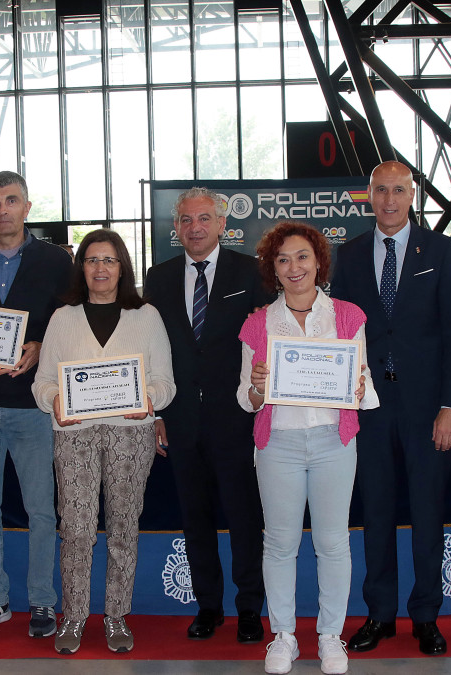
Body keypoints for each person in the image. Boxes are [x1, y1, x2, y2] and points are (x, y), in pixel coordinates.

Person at [330, 161, 451, 656]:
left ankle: (426, 616)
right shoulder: (345, 255)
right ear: (368, 196)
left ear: (414, 195)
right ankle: (380, 614)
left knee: (429, 514)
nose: (389, 199)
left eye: (399, 190)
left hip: (428, 409)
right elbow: (340, 332)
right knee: (376, 513)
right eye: (381, 190)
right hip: (368, 408)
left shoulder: (442, 250)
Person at [238, 221, 375, 675]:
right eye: (283, 260)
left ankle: (331, 636)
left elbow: (365, 387)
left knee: (334, 543)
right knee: (279, 544)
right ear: (272, 270)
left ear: (319, 262)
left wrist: (354, 387)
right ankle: (284, 637)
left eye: (302, 257)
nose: (294, 267)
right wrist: (258, 386)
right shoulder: (258, 324)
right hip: (277, 444)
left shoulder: (348, 316)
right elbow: (247, 400)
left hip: (334, 441)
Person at [32, 228, 175, 655]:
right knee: (76, 530)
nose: (100, 268)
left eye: (109, 260)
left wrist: (149, 401)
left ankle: (116, 615)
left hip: (131, 434)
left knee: (123, 528)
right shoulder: (63, 318)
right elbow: (42, 382)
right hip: (73, 435)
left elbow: (164, 381)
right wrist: (54, 400)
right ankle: (74, 616)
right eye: (92, 260)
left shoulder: (145, 316)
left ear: (122, 266)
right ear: (82, 268)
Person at [143, 187, 270, 643]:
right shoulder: (157, 279)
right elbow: (151, 353)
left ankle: (250, 608)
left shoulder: (253, 272)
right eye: (185, 220)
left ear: (222, 224)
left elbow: (266, 336)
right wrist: (155, 413)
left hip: (234, 417)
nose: (194, 227)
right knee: (194, 518)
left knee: (243, 518)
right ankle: (209, 607)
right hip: (179, 419)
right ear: (176, 228)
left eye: (204, 218)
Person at [0, 170, 72, 639]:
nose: (3, 209)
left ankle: (43, 601)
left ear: (27, 206)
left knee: (42, 510)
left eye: (11, 200)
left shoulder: (56, 261)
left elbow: (67, 326)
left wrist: (42, 346)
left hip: (33, 407)